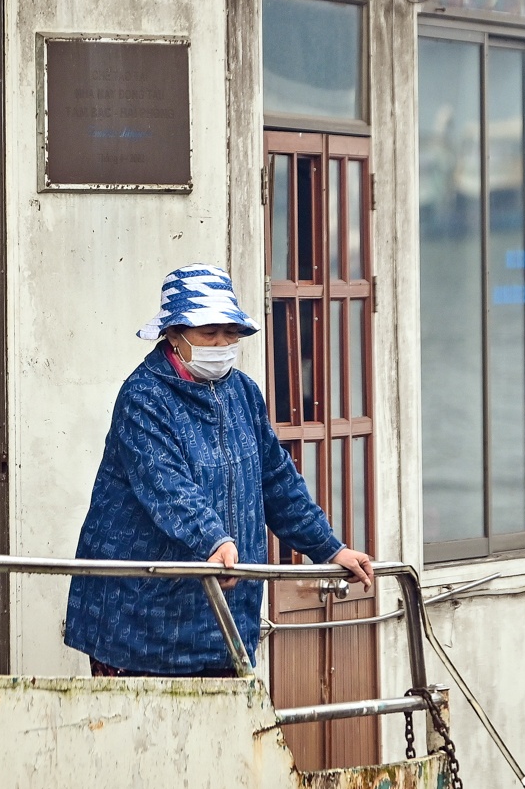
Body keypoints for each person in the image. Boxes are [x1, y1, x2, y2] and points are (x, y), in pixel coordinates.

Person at [65, 264, 375, 677]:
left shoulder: (243, 392)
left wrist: (329, 548)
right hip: (139, 624)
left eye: (230, 332)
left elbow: (277, 481)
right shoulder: (143, 398)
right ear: (174, 334)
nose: (222, 343)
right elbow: (167, 486)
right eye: (209, 332)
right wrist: (212, 539)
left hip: (225, 622)